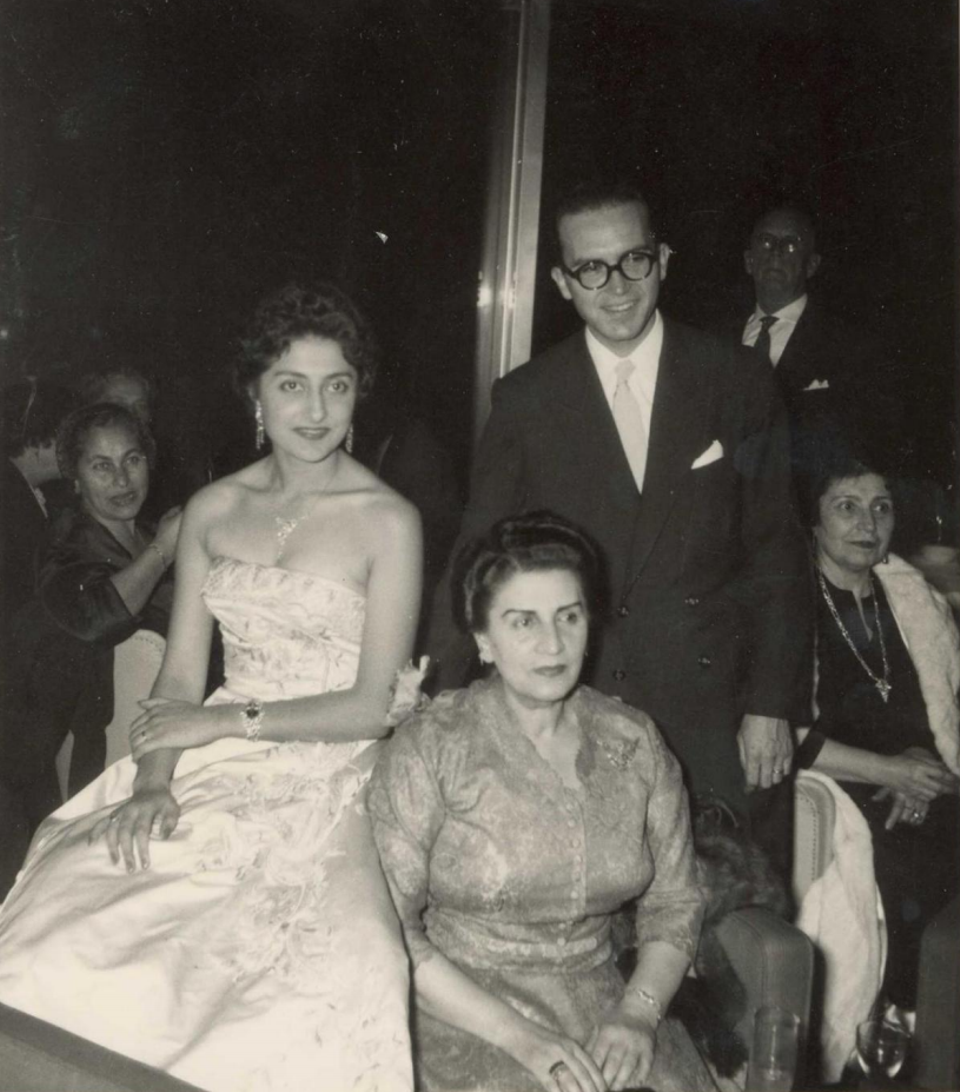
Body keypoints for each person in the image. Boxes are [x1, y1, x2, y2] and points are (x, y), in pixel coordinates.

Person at [0, 283, 423, 1092]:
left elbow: (372, 707)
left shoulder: (389, 519)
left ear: (358, 394)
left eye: (336, 385)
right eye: (291, 385)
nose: (315, 408)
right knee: (72, 922)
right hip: (203, 758)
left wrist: (225, 723)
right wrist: (152, 782)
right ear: (256, 394)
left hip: (330, 774)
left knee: (327, 982)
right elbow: (182, 674)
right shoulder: (211, 509)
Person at [426, 179, 812, 874]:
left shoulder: (737, 380)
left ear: (662, 258)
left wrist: (771, 703)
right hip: (573, 704)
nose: (617, 286)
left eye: (634, 260)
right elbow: (476, 555)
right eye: (591, 269)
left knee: (714, 932)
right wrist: (435, 703)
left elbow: (776, 551)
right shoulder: (526, 400)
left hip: (710, 715)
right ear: (561, 281)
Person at [371, 512, 715, 1092]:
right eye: (523, 621)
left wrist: (638, 1013)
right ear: (484, 639)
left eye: (569, 617)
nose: (552, 644)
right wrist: (522, 1041)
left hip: (605, 1008)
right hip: (463, 1018)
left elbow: (676, 902)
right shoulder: (433, 746)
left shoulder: (635, 741)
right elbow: (392, 930)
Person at [794, 445, 960, 1012]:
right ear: (812, 520)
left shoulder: (914, 601)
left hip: (927, 784)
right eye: (847, 506)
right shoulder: (790, 605)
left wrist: (923, 773)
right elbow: (784, 736)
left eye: (881, 508)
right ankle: (894, 1028)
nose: (868, 524)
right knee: (912, 861)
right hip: (846, 788)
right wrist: (894, 772)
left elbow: (945, 714)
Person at [739, 204, 900, 474]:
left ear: (811, 264)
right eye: (766, 241)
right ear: (749, 260)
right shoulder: (712, 340)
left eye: (791, 244)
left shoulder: (851, 345)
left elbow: (871, 445)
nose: (776, 252)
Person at [0, 377, 73, 629]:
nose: (79, 447)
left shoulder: (23, 490)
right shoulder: (9, 502)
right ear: (36, 435)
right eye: (69, 435)